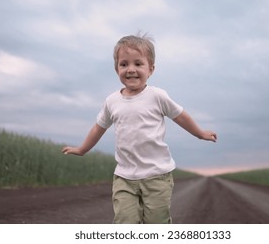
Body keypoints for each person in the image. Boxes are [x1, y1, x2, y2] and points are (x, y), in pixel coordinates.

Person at [62, 33, 217, 224]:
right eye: (124, 64)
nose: (131, 70)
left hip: (157, 176)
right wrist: (82, 149)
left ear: (150, 69)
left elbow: (180, 116)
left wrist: (200, 133)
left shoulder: (157, 96)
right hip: (124, 177)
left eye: (138, 64)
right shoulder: (112, 101)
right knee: (125, 222)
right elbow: (98, 128)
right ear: (116, 68)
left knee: (156, 224)